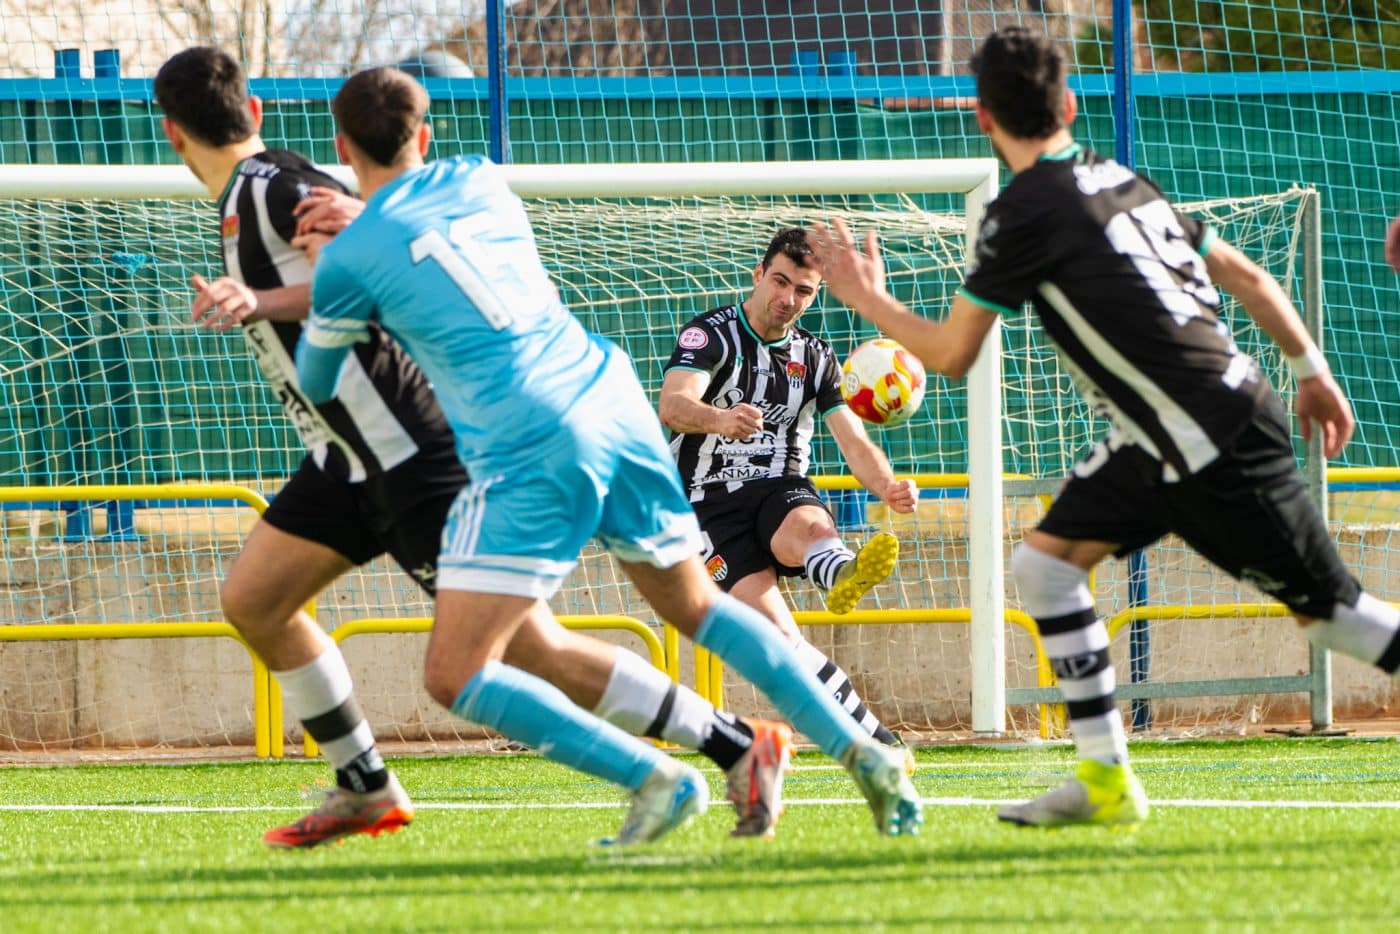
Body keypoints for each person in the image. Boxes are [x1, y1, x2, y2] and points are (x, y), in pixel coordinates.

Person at [154, 47, 812, 847]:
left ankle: (728, 748)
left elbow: (382, 233)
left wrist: (260, 294)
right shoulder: (242, 200)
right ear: (252, 110)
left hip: (410, 453)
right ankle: (364, 783)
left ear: (169, 132)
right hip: (343, 455)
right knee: (254, 602)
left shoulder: (272, 187)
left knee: (530, 648)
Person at [295, 66, 924, 841]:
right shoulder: (480, 178)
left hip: (528, 441)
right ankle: (862, 751)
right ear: (426, 137)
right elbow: (424, 228)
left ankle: (656, 777)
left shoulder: (352, 257)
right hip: (612, 396)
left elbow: (318, 379)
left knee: (455, 672)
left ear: (338, 146)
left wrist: (333, 269)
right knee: (696, 608)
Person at [807, 25, 1400, 828]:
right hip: (1168, 431)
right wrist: (1313, 370)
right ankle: (1105, 777)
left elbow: (950, 354)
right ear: (1072, 105)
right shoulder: (1123, 179)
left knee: (1332, 616)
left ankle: (1106, 774)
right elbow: (1252, 277)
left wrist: (866, 300)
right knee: (1045, 566)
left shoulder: (1021, 213)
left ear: (982, 117)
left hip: (1208, 438)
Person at [659, 228, 917, 751]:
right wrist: (720, 419)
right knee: (782, 642)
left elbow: (854, 440)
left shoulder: (817, 358)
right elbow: (673, 405)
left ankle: (842, 571)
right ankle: (878, 742)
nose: (789, 299)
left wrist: (888, 485)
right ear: (758, 276)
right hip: (708, 505)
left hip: (779, 487)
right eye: (780, 282)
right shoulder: (710, 335)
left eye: (804, 290)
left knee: (808, 524)